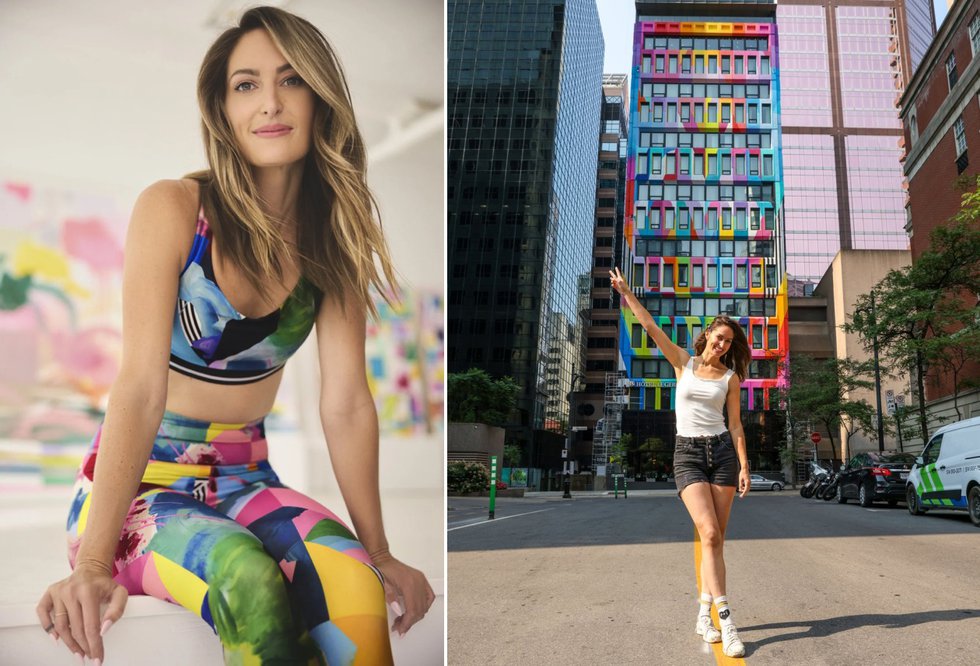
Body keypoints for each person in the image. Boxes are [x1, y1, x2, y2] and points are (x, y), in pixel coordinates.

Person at [36, 7, 434, 665]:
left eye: (291, 80)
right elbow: (138, 388)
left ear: (320, 96)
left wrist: (382, 550)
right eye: (245, 84)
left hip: (247, 475)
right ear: (221, 109)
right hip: (138, 486)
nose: (270, 102)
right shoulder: (175, 209)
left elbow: (346, 403)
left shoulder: (333, 244)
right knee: (245, 577)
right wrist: (95, 560)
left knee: (354, 580)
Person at [609, 266, 751, 658]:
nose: (722, 345)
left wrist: (743, 464)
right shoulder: (683, 363)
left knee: (716, 540)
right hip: (687, 454)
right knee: (708, 533)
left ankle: (704, 613)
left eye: (728, 342)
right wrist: (625, 292)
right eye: (719, 338)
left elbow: (736, 425)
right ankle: (727, 620)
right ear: (707, 335)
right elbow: (651, 327)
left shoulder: (730, 379)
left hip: (721, 453)